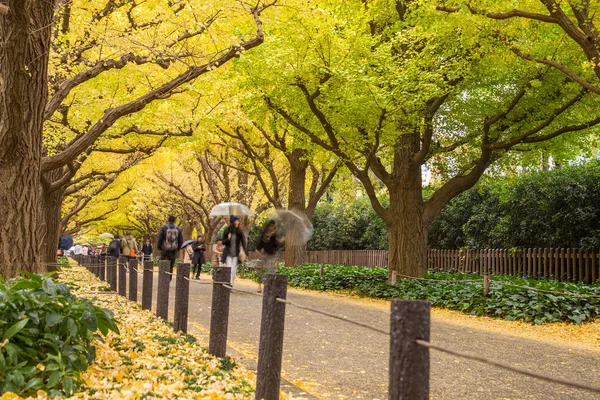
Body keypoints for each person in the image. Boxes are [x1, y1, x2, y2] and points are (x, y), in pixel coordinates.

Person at [255, 220, 284, 292]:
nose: (272, 228)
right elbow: (259, 246)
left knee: (271, 271)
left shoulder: (274, 236)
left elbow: (276, 243)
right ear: (268, 226)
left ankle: (268, 287)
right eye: (271, 226)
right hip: (265, 255)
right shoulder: (264, 235)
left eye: (274, 227)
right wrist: (260, 254)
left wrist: (281, 240)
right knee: (261, 271)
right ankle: (259, 286)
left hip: (271, 255)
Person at [222, 216, 247, 286]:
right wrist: (228, 238)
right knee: (229, 269)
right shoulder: (227, 230)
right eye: (235, 221)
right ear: (232, 222)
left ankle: (231, 284)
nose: (237, 222)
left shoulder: (239, 231)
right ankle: (229, 283)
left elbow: (243, 242)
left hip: (236, 254)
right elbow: (223, 242)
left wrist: (246, 251)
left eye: (238, 221)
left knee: (234, 271)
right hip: (228, 254)